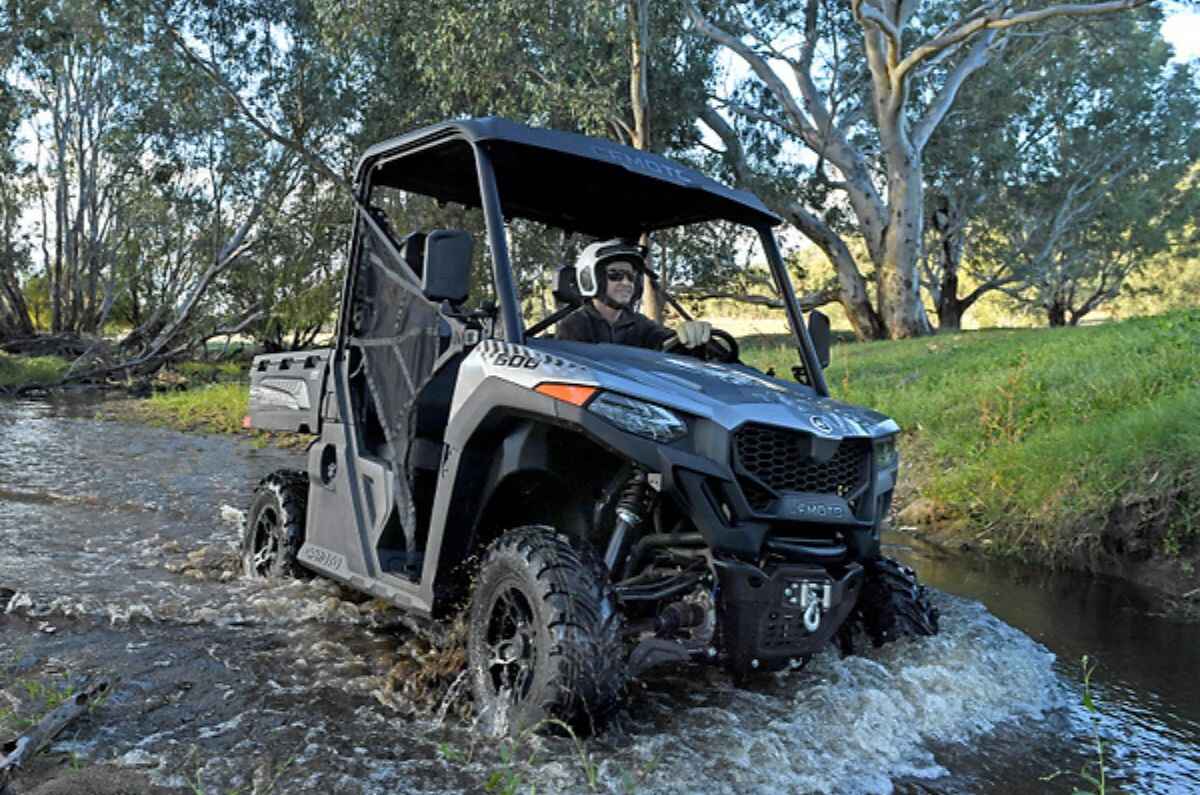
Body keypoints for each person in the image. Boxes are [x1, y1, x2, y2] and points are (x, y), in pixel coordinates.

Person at [556, 239, 711, 350]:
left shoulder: (639, 324)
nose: (626, 283)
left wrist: (688, 335)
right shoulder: (575, 325)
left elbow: (663, 341)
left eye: (631, 277)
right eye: (615, 275)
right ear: (593, 279)